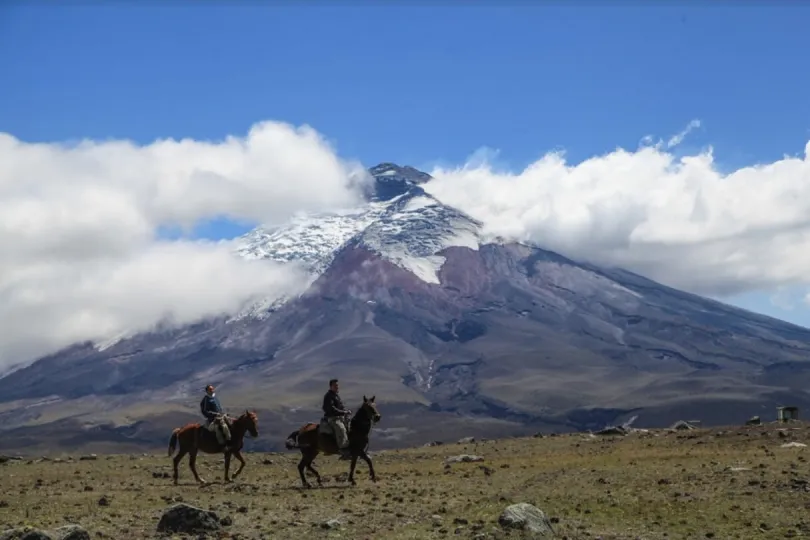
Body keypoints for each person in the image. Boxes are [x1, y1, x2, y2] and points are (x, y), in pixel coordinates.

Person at [322, 378, 351, 455]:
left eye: (337, 385)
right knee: (341, 428)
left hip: (340, 417)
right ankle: (342, 448)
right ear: (331, 386)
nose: (337, 387)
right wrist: (343, 412)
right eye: (335, 385)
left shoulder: (336, 396)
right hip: (333, 418)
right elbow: (332, 408)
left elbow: (341, 406)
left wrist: (346, 411)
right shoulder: (328, 396)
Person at [200, 384, 232, 448]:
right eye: (210, 389)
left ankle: (230, 440)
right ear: (207, 391)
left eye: (212, 389)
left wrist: (222, 413)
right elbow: (206, 411)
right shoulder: (206, 399)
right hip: (213, 419)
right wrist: (215, 414)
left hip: (220, 416)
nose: (212, 390)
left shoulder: (214, 397)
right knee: (221, 427)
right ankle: (223, 445)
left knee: (230, 422)